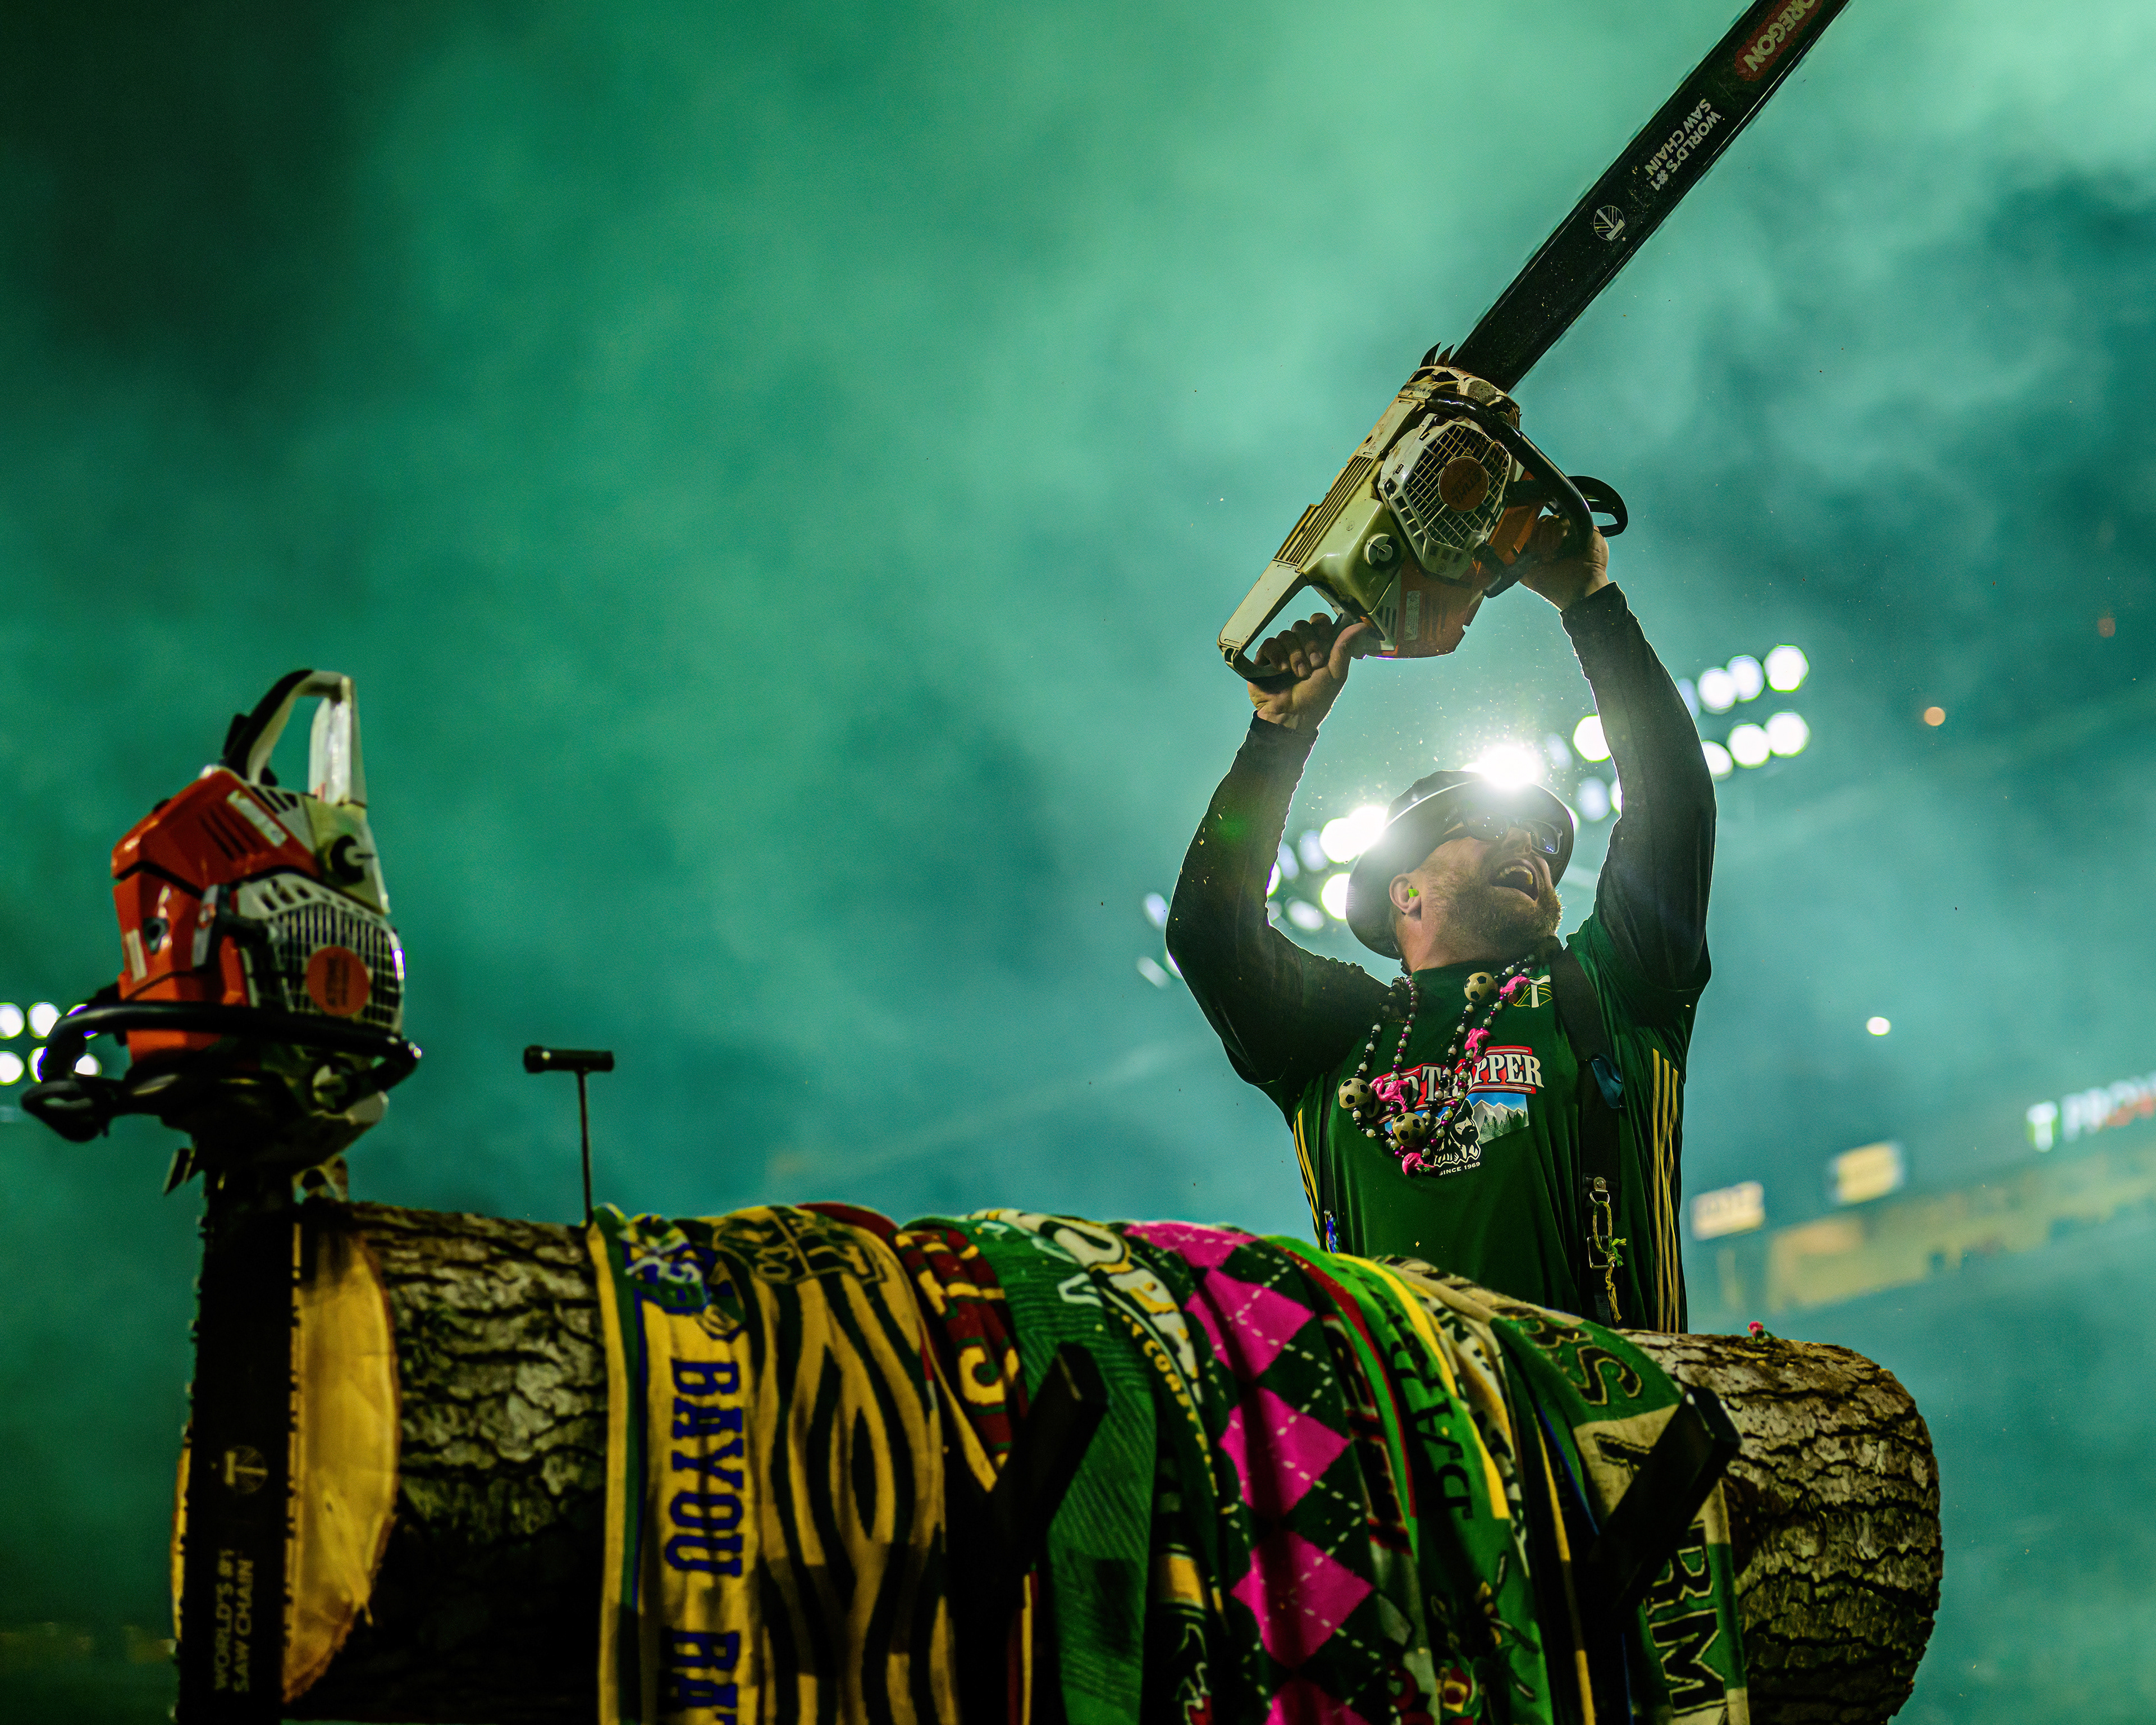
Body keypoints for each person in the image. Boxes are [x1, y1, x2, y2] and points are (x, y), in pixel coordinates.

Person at [1167, 520, 1714, 1328]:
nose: (1525, 843)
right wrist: (1277, 739)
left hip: (1617, 1440)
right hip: (1414, 1448)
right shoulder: (1336, 1035)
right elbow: (1208, 932)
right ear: (1405, 890)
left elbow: (1672, 801)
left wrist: (1589, 603)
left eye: (1537, 840)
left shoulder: (1611, 984)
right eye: (1485, 828)